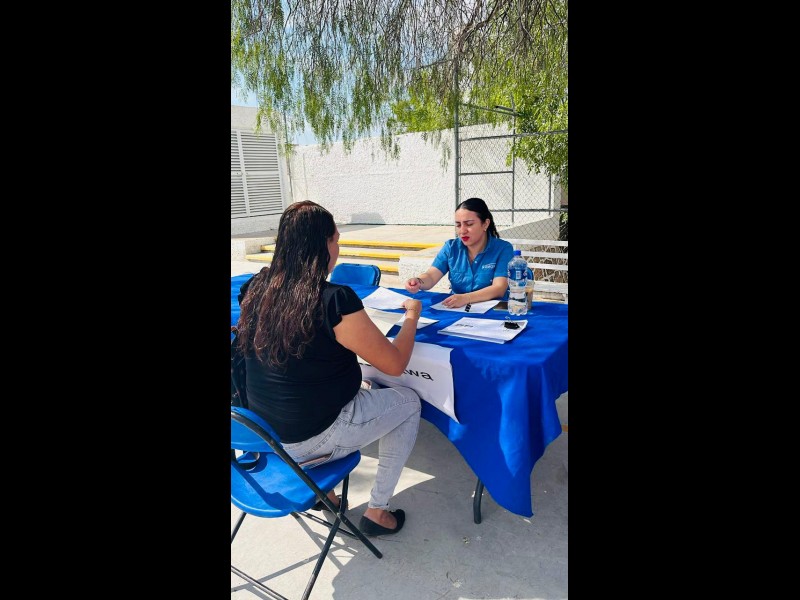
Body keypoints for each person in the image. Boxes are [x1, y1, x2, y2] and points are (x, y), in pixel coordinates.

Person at [236, 200, 422, 536]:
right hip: (311, 437)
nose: (338, 248)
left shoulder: (255, 288)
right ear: (322, 245)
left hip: (265, 435)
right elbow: (394, 364)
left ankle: (327, 497)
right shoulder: (334, 299)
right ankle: (378, 511)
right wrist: (411, 316)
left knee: (351, 386)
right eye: (336, 240)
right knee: (408, 401)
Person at [404, 197, 515, 308]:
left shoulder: (503, 249)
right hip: (457, 308)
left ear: (485, 224)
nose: (462, 231)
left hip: (492, 310)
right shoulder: (451, 248)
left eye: (469, 224)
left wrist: (466, 298)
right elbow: (431, 276)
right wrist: (418, 281)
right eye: (458, 225)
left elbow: (499, 288)